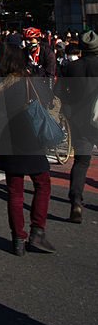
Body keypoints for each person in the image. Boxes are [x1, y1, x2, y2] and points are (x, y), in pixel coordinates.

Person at [0, 44, 55, 255]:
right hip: (29, 136)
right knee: (42, 183)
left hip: (7, 138)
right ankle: (37, 231)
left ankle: (18, 237)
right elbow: (46, 101)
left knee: (15, 190)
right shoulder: (29, 80)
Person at [56, 29, 98, 223]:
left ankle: (76, 202)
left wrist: (68, 109)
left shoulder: (72, 68)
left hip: (79, 119)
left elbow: (59, 91)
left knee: (81, 162)